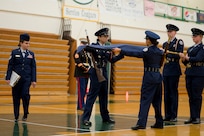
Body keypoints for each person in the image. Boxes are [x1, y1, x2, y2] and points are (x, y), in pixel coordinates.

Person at [113, 31, 164, 130]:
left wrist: (121, 51)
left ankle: (141, 123)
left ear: (149, 40)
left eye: (146, 39)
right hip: (158, 76)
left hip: (149, 77)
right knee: (157, 102)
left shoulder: (148, 51)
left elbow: (135, 53)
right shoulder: (159, 51)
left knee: (145, 100)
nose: (146, 41)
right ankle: (159, 122)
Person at [82, 28, 124, 126]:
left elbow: (111, 60)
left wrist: (121, 55)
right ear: (99, 37)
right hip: (96, 72)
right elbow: (85, 49)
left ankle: (105, 117)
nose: (106, 38)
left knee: (104, 96)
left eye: (107, 36)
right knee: (92, 96)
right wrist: (88, 47)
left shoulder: (107, 48)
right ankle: (85, 118)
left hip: (104, 72)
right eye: (105, 36)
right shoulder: (94, 46)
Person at [5, 33, 37, 122]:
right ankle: (16, 115)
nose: (28, 45)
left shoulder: (31, 54)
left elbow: (33, 67)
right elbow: (10, 65)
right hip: (16, 79)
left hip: (27, 79)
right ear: (21, 43)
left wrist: (34, 80)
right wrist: (8, 77)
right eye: (26, 43)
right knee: (16, 97)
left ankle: (26, 112)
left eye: (28, 43)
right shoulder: (14, 52)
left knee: (25, 95)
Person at [179, 28, 204, 124]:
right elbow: (187, 63)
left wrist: (188, 58)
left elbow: (199, 58)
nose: (193, 37)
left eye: (195, 36)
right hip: (190, 72)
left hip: (199, 74)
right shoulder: (191, 48)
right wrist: (184, 59)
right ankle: (192, 116)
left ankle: (197, 117)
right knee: (191, 96)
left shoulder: (202, 48)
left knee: (197, 95)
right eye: (193, 36)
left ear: (200, 37)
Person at [162, 24, 184, 122]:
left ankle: (173, 115)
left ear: (175, 32)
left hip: (174, 69)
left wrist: (168, 53)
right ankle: (167, 114)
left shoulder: (179, 42)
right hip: (166, 69)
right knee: (166, 93)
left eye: (171, 31)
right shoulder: (165, 44)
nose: (169, 33)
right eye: (168, 31)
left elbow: (178, 55)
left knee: (173, 93)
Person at [74, 38, 91, 110]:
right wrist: (85, 69)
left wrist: (89, 69)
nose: (84, 45)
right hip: (80, 73)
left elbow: (89, 62)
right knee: (81, 90)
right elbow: (78, 63)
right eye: (83, 43)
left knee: (84, 90)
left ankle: (81, 104)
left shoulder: (86, 53)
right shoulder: (77, 52)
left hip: (86, 73)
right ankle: (81, 106)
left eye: (85, 43)